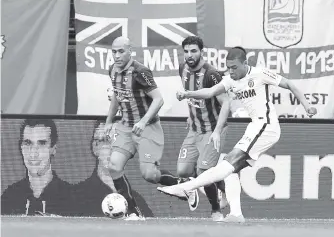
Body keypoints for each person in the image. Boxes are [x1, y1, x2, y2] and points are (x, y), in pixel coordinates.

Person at [158, 46, 317, 222]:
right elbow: (210, 92)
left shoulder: (259, 74)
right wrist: (189, 94)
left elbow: (289, 84)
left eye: (234, 67)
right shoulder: (229, 80)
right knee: (231, 172)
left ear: (245, 64)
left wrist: (307, 105)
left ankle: (188, 187)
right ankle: (236, 214)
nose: (230, 71)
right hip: (254, 126)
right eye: (228, 67)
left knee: (227, 164)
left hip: (266, 126)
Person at [105, 36, 194, 221]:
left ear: (130, 51)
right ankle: (132, 212)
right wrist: (108, 122)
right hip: (125, 126)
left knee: (150, 175)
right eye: (114, 51)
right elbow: (116, 96)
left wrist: (143, 121)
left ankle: (184, 185)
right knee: (114, 166)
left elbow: (158, 99)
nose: (117, 55)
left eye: (121, 51)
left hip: (147, 127)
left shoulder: (140, 72)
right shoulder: (112, 70)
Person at [173, 36, 231, 221]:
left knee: (203, 172)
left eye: (193, 51)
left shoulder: (211, 74)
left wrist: (217, 131)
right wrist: (190, 117)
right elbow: (193, 100)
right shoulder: (182, 69)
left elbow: (226, 104)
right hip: (195, 129)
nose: (189, 55)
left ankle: (215, 210)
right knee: (183, 172)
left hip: (213, 130)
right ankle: (223, 185)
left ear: (201, 52)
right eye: (186, 51)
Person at [71, 121, 154, 217]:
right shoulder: (78, 195)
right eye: (105, 140)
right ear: (95, 146)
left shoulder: (138, 201)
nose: (113, 148)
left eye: (118, 141)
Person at [1, 119, 73, 216]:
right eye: (27, 143)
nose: (33, 153)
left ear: (53, 149)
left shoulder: (72, 198)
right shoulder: (9, 197)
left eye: (42, 143)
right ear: (21, 147)